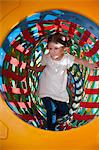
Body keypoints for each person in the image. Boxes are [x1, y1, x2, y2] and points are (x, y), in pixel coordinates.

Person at [27, 33, 98, 131]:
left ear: (63, 49)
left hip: (59, 90)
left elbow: (80, 61)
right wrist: (31, 68)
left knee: (65, 111)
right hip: (46, 89)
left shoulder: (67, 58)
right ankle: (50, 131)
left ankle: (55, 118)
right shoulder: (46, 57)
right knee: (51, 110)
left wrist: (89, 65)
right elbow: (41, 68)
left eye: (56, 48)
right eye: (50, 48)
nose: (52, 51)